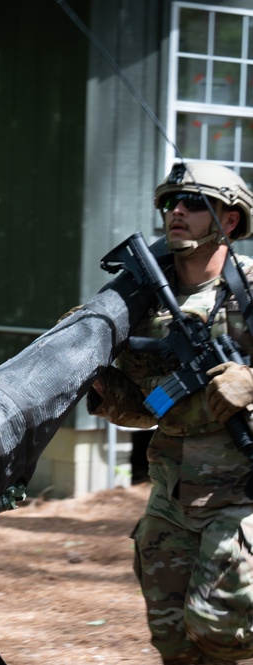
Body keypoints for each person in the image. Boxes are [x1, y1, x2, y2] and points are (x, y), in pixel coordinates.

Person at [88, 161, 253, 664]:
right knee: (174, 640)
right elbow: (145, 410)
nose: (176, 212)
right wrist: (92, 373)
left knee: (223, 631)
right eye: (169, 203)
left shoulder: (248, 290)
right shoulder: (140, 303)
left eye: (193, 203)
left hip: (243, 498)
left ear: (229, 220)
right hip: (171, 500)